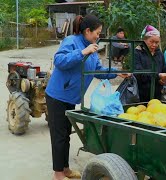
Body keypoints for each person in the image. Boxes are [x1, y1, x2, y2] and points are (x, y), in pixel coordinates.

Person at [45, 14, 128, 180]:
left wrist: (117, 72)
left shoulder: (93, 48)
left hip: (71, 98)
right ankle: (58, 174)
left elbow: (98, 71)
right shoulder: (71, 41)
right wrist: (83, 52)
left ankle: (66, 169)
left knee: (66, 134)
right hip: (57, 96)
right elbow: (60, 60)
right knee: (59, 136)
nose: (99, 36)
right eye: (97, 32)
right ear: (88, 31)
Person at [134, 25, 166, 102]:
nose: (154, 45)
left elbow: (164, 70)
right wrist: (158, 76)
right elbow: (138, 73)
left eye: (157, 42)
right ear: (144, 40)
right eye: (151, 42)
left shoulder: (159, 53)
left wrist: (164, 79)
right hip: (141, 93)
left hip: (157, 93)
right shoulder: (137, 53)